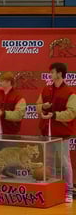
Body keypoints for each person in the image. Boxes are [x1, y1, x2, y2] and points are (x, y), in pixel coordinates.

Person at [36, 62, 75, 203]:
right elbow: (37, 107)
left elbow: (71, 113)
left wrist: (54, 115)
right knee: (47, 160)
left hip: (62, 133)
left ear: (59, 73)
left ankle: (69, 191)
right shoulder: (46, 89)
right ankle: (49, 189)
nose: (50, 74)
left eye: (52, 72)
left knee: (65, 162)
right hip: (46, 132)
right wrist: (43, 107)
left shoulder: (70, 93)